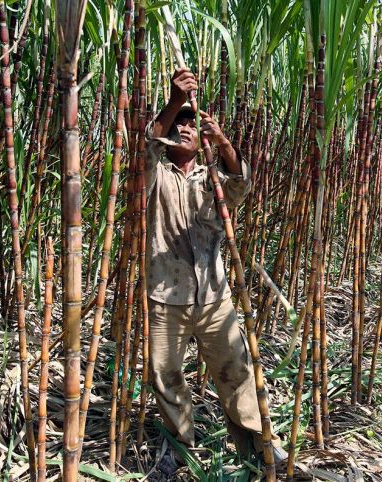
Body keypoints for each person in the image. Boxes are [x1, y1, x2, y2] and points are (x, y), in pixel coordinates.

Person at [144, 68, 286, 472]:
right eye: (179, 124)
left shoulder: (213, 179)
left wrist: (221, 140)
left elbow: (241, 182)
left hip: (214, 296)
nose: (185, 129)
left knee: (237, 373)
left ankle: (258, 446)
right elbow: (144, 147)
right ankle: (177, 448)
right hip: (164, 295)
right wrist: (175, 101)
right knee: (165, 374)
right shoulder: (156, 174)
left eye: (192, 124)